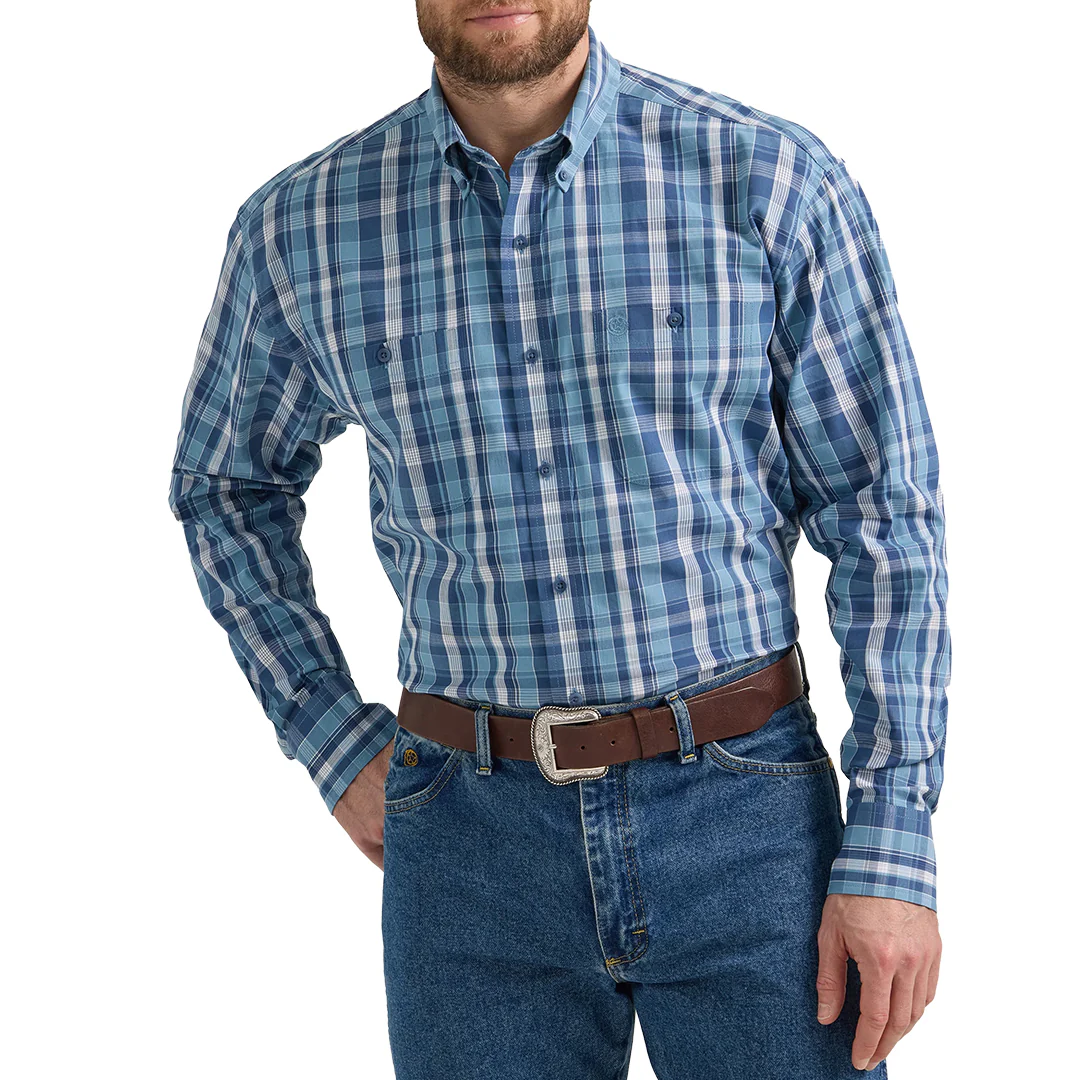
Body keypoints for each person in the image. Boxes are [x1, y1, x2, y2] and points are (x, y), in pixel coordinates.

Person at [167, 3, 950, 1077]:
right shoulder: (300, 229)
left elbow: (879, 507)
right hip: (467, 845)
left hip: (751, 826)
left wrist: (894, 833)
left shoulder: (768, 178)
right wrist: (332, 737)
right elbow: (225, 486)